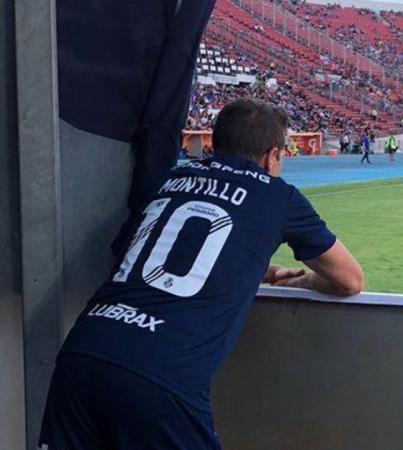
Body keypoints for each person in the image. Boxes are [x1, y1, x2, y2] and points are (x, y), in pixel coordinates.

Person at [38, 98, 363, 450]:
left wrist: (266, 273)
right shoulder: (278, 196)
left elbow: (164, 252)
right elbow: (350, 280)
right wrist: (303, 280)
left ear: (215, 143)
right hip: (162, 376)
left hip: (82, 352)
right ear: (272, 156)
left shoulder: (172, 178)